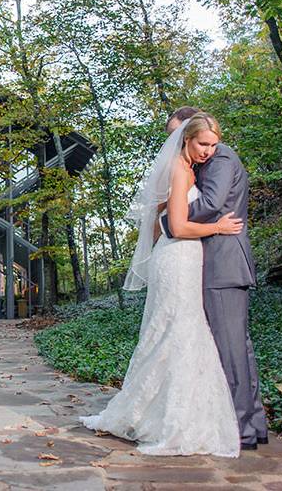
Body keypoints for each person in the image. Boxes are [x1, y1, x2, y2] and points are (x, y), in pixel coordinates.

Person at [80, 113, 242, 457]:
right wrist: (219, 228)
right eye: (203, 144)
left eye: (213, 146)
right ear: (186, 139)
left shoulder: (184, 168)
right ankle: (171, 423)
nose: (208, 152)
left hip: (181, 258)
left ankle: (157, 414)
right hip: (179, 256)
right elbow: (179, 226)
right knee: (179, 333)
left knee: (172, 333)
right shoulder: (181, 171)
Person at [162, 110, 269, 450]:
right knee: (238, 348)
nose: (177, 144)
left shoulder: (220, 157)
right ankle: (253, 424)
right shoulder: (201, 162)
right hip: (217, 263)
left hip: (223, 263)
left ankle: (241, 430)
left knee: (231, 350)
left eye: (179, 135)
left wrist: (170, 219)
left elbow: (210, 204)